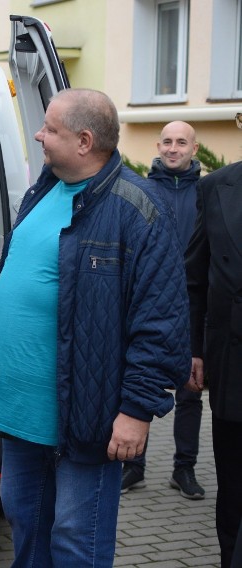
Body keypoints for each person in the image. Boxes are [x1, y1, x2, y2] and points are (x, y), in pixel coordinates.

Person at [0, 89, 190, 567]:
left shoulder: (137, 211)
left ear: (84, 141)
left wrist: (137, 410)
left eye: (50, 129)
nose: (39, 134)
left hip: (87, 416)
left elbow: (161, 322)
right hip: (22, 414)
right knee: (26, 526)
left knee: (76, 540)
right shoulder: (44, 187)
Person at [121, 121, 205, 500]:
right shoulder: (143, 189)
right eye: (168, 142)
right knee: (144, 377)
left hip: (193, 301)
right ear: (158, 145)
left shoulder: (207, 191)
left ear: (194, 148)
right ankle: (133, 465)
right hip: (150, 299)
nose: (174, 148)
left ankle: (183, 469)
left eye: (181, 142)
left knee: (191, 387)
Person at [185, 111, 242, 568]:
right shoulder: (214, 187)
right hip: (232, 366)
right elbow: (194, 280)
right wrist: (195, 349)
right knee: (234, 484)